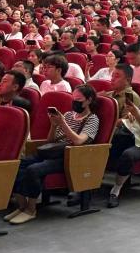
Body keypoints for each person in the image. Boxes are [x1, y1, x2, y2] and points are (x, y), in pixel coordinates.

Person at [5, 84, 100, 225]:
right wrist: (54, 125)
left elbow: (79, 141)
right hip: (53, 151)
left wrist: (63, 123)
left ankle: (31, 210)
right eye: (73, 99)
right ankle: (22, 206)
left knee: (33, 170)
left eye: (79, 100)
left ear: (89, 100)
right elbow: (51, 141)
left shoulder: (92, 119)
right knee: (18, 165)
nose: (75, 102)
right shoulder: (68, 115)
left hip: (69, 156)